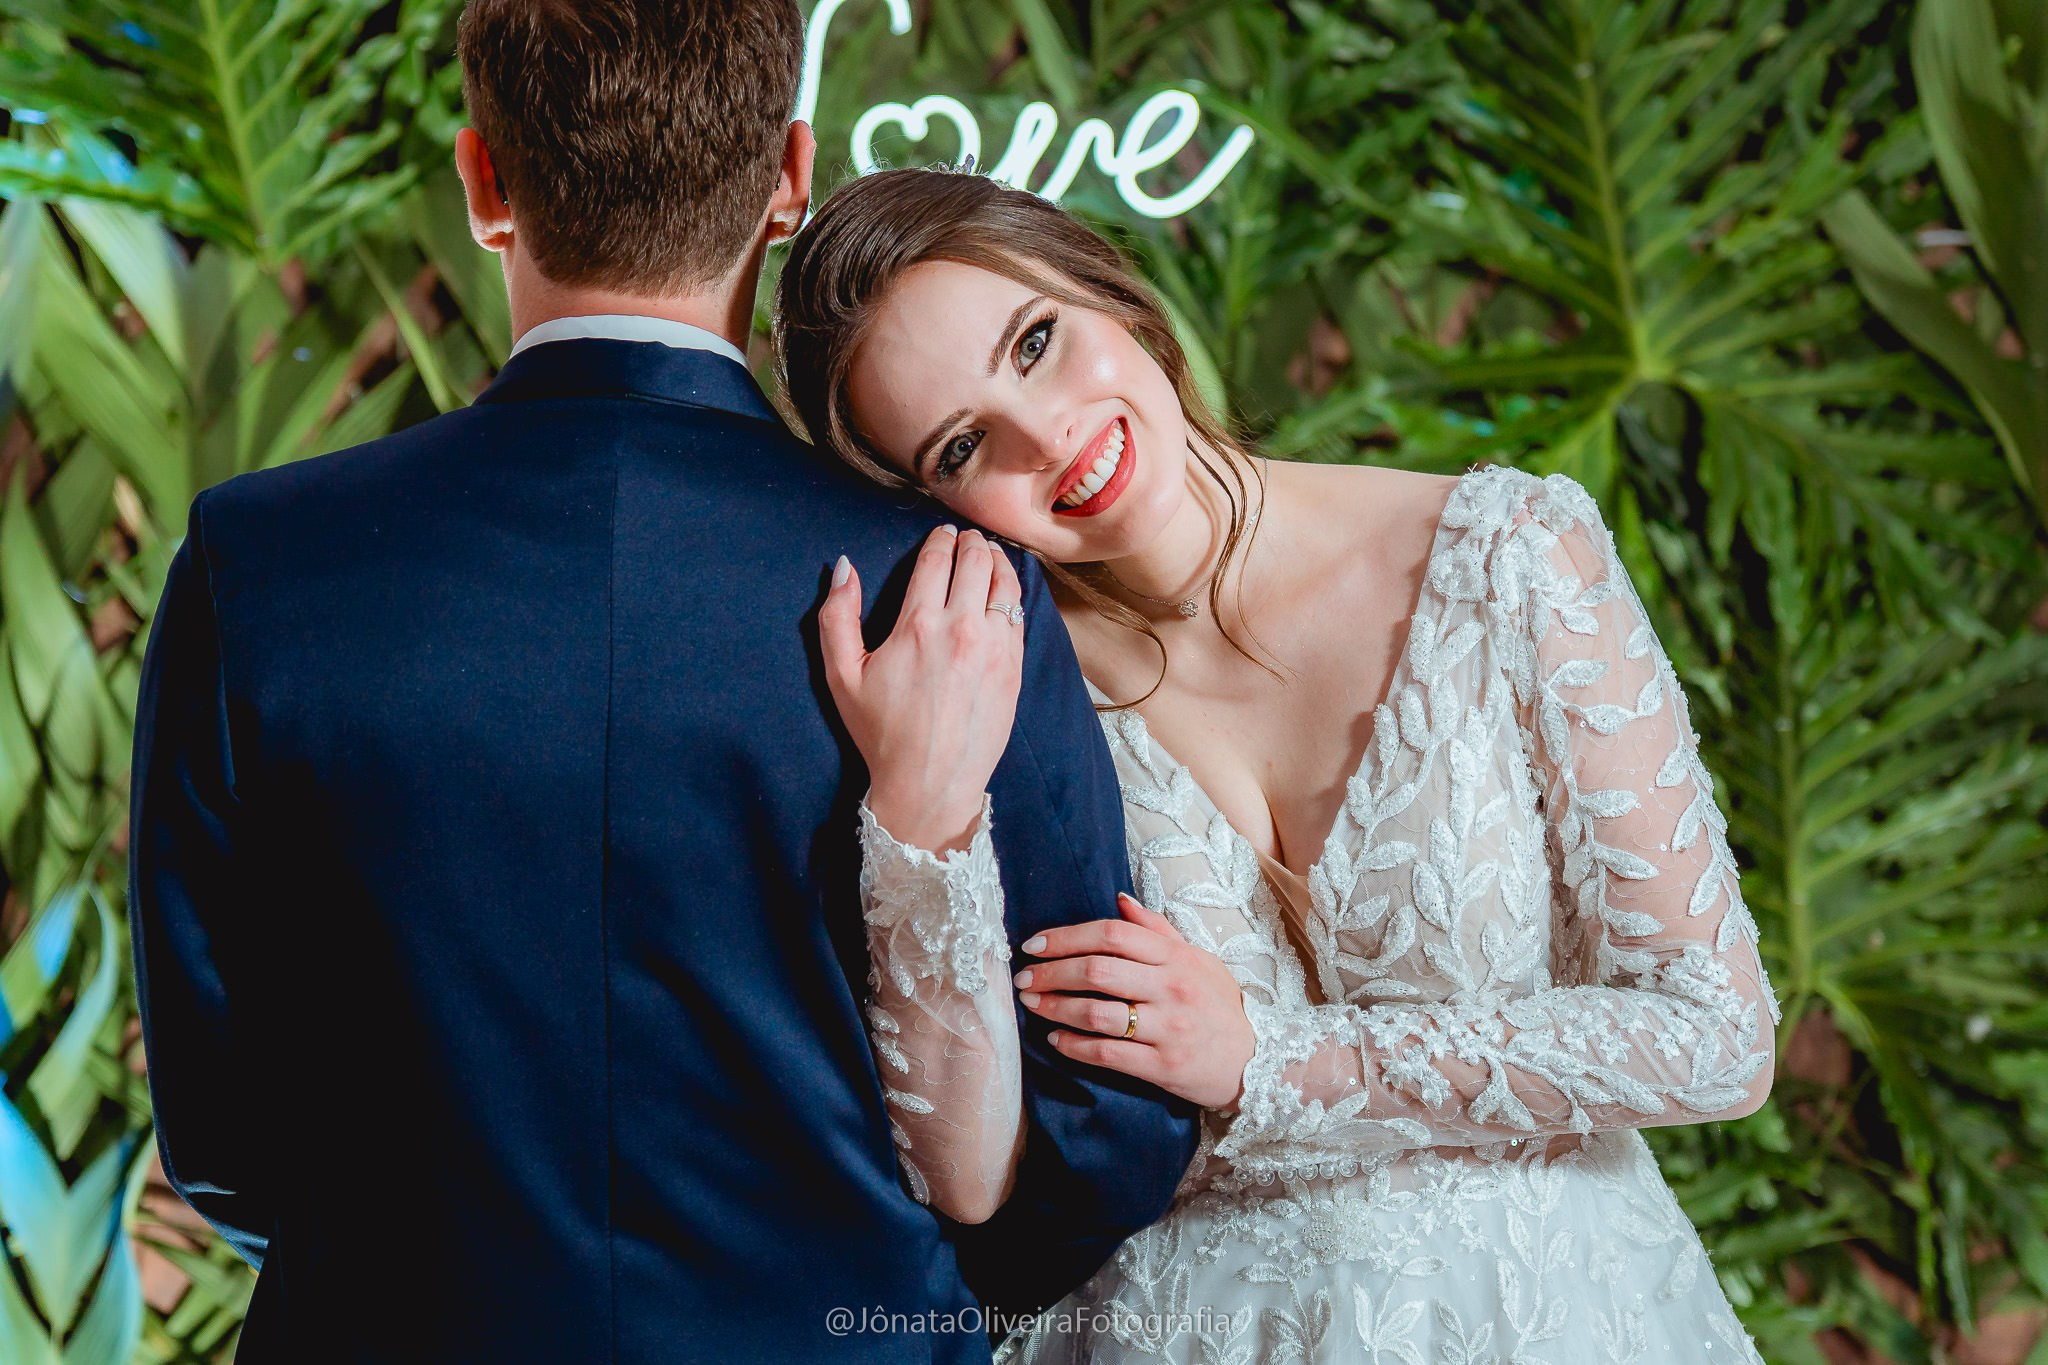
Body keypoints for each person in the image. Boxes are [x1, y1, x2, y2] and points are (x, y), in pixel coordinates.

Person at [123, 5, 1198, 1360]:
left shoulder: (254, 565)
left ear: (482, 185)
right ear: (792, 178)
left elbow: (226, 1132)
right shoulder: (951, 585)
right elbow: (1095, 1134)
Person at [775, 166, 1782, 1364]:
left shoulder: (1509, 557)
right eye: (961, 443)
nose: (1047, 438)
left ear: (1111, 293)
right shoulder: (992, 699)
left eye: (1037, 342)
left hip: (1558, 1317)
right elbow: (970, 1177)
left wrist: (1270, 1062)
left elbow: (1716, 1034)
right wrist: (919, 819)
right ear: (926, 501)